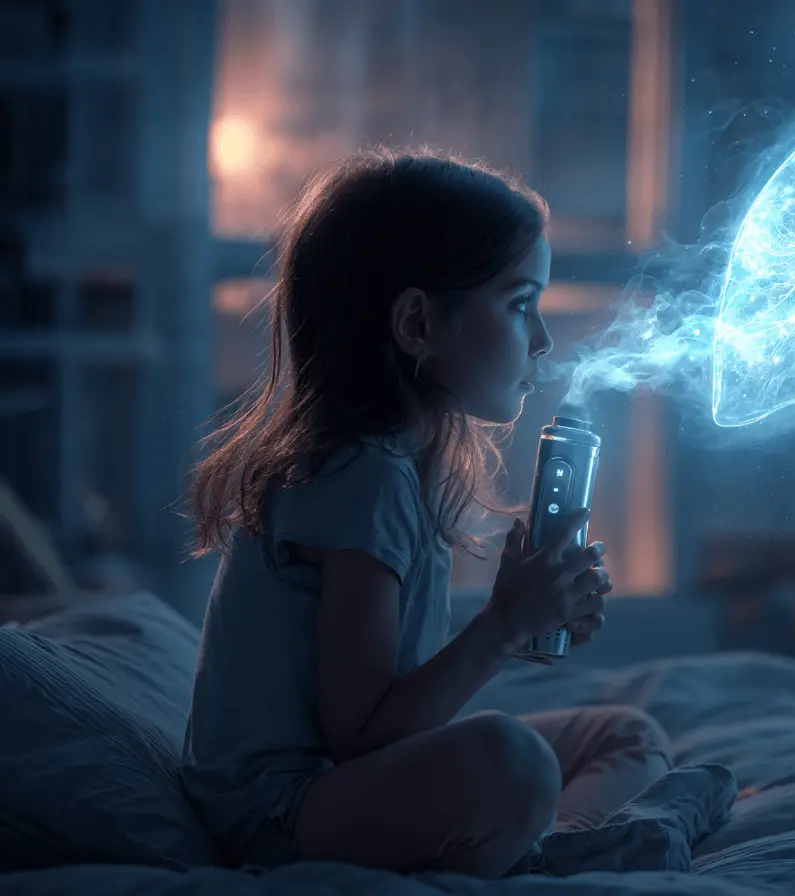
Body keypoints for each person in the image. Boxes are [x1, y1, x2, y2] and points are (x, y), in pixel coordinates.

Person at [182, 150, 672, 878]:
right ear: (416, 323)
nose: (540, 340)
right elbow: (362, 734)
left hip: (341, 786)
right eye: (518, 304)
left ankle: (553, 844)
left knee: (627, 734)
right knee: (511, 761)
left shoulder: (393, 469)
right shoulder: (360, 479)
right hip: (282, 813)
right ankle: (557, 844)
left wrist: (531, 615)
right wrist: (503, 625)